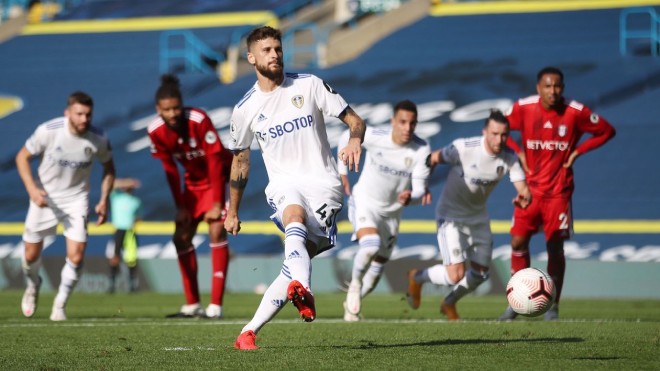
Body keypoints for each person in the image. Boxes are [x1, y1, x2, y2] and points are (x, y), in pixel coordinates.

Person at [227, 26, 366, 350]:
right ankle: (305, 289)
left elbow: (355, 121)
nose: (274, 54)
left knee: (295, 260)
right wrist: (232, 210)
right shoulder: (245, 109)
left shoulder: (310, 84)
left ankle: (247, 332)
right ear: (251, 58)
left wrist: (355, 140)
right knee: (294, 217)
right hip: (284, 184)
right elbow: (240, 163)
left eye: (277, 48)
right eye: (266, 50)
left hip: (325, 185)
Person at [499, 66, 616, 321]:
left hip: (558, 193)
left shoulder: (575, 112)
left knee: (555, 246)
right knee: (518, 242)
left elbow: (607, 131)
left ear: (563, 88)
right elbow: (498, 127)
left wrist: (578, 151)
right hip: (529, 190)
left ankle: (553, 306)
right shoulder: (523, 108)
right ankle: (515, 301)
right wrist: (517, 150)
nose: (553, 91)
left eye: (558, 86)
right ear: (538, 87)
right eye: (548, 86)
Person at [406, 110, 531, 320]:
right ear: (485, 132)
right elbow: (433, 158)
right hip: (450, 216)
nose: (499, 139)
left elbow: (523, 189)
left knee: (481, 273)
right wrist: (422, 185)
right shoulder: (463, 148)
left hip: (478, 218)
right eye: (494, 133)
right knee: (456, 274)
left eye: (504, 135)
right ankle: (417, 276)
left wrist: (524, 197)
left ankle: (449, 303)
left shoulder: (509, 159)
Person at [16, 91, 116, 321]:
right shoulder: (48, 131)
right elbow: (22, 157)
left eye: (88, 114)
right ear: (67, 113)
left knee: (77, 256)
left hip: (76, 200)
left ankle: (59, 305)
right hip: (45, 197)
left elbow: (109, 168)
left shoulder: (98, 137)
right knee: (30, 256)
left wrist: (103, 199)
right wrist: (32, 189)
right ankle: (33, 285)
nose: (84, 119)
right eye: (79, 114)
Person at [147, 74, 233, 319]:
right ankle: (192, 303)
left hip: (220, 178)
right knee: (181, 237)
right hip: (193, 184)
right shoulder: (155, 131)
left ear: (182, 105)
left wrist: (217, 203)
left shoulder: (198, 119)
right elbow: (170, 170)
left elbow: (216, 160)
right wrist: (180, 207)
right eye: (167, 109)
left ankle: (215, 306)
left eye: (176, 108)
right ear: (158, 109)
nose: (173, 113)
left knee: (216, 230)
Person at [339, 99, 432, 322]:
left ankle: (351, 306)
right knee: (371, 245)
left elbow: (420, 191)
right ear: (393, 122)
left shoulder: (421, 149)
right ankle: (354, 285)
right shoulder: (375, 136)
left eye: (412, 123)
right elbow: (346, 136)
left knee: (378, 269)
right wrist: (342, 172)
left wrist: (412, 197)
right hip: (365, 202)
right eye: (402, 122)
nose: (407, 128)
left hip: (391, 214)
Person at [107, 177, 142, 293]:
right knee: (115, 257)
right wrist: (127, 182)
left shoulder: (136, 201)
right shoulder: (116, 198)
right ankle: (112, 285)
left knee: (131, 259)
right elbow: (111, 184)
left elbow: (138, 217)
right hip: (119, 230)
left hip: (130, 232)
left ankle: (132, 286)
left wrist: (136, 220)